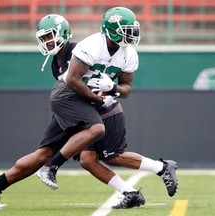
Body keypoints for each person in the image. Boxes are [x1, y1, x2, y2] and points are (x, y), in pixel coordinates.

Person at [36, 7, 178, 209]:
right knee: (87, 159)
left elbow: (127, 89)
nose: (131, 34)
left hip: (103, 102)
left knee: (113, 155)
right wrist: (98, 98)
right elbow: (72, 80)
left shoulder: (129, 54)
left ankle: (161, 168)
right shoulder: (92, 45)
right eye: (126, 29)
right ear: (111, 29)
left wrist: (113, 88)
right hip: (85, 98)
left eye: (132, 29)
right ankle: (131, 191)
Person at [0, 12, 118, 210]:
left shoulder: (78, 51)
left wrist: (108, 92)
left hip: (82, 105)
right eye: (43, 38)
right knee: (50, 153)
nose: (47, 42)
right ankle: (8, 182)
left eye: (49, 36)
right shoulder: (56, 62)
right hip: (75, 107)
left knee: (45, 154)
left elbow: (98, 76)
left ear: (63, 33)